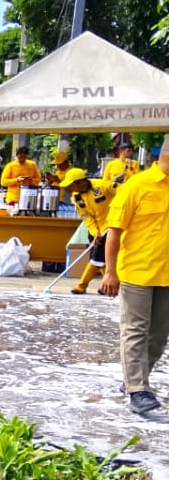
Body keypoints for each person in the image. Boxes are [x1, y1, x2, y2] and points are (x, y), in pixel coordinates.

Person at [99, 139, 169, 416]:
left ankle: (133, 379)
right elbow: (113, 232)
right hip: (137, 272)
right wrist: (110, 271)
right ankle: (138, 390)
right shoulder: (136, 186)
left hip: (166, 274)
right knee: (135, 331)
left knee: (159, 336)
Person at [58, 168, 117, 295]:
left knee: (97, 258)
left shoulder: (102, 186)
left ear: (80, 182)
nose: (69, 188)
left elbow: (123, 195)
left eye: (70, 185)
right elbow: (85, 216)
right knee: (99, 259)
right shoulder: (76, 197)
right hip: (95, 229)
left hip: (111, 226)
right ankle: (107, 287)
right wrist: (95, 232)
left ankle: (82, 285)